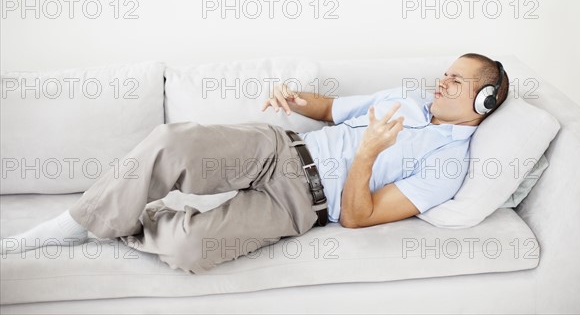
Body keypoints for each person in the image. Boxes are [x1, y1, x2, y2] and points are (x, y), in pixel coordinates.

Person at [0, 53, 509, 274]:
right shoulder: (406, 98)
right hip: (281, 150)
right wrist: (295, 99)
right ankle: (72, 224)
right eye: (446, 74)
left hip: (301, 207)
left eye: (456, 82)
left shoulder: (449, 167)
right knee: (173, 141)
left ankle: (121, 219)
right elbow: (332, 109)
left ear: (483, 102)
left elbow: (358, 217)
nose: (442, 82)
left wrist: (369, 155)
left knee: (191, 249)